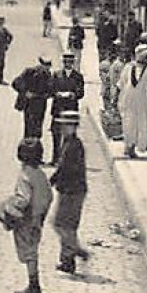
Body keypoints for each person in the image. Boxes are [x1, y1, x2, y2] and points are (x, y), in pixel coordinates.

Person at [0, 137, 52, 293]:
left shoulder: (25, 175)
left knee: (28, 253)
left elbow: (23, 199)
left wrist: (9, 207)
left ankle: (34, 287)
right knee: (33, 250)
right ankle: (34, 285)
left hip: (27, 219)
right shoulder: (41, 174)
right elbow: (48, 195)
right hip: (39, 217)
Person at [50, 110, 89, 275]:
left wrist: (51, 181)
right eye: (62, 125)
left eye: (66, 125)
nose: (63, 128)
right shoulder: (68, 142)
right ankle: (69, 256)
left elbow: (64, 168)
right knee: (65, 224)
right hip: (70, 189)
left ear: (74, 127)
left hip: (72, 190)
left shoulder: (73, 146)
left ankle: (72, 253)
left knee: (62, 224)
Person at [117, 43, 147, 158]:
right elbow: (122, 83)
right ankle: (128, 146)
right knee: (128, 122)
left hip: (142, 101)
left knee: (141, 123)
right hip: (128, 100)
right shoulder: (129, 68)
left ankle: (133, 146)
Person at [50, 51, 85, 165]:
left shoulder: (78, 77)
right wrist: (57, 94)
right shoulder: (57, 74)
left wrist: (73, 94)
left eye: (70, 62)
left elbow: (81, 93)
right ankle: (55, 158)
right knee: (56, 134)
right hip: (58, 109)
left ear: (73, 63)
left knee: (69, 135)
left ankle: (67, 159)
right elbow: (51, 89)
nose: (68, 64)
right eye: (65, 62)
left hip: (71, 109)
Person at [12, 57, 54, 141]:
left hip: (40, 104)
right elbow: (15, 83)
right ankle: (28, 144)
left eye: (48, 67)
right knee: (29, 125)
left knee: (38, 127)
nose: (46, 68)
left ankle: (35, 145)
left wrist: (42, 95)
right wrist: (25, 92)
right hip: (29, 103)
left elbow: (51, 91)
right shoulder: (29, 72)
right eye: (44, 66)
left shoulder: (48, 76)